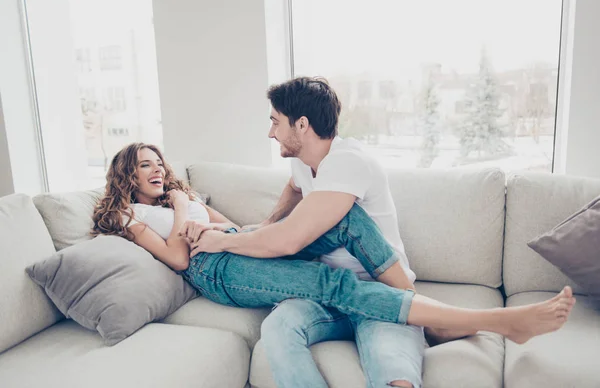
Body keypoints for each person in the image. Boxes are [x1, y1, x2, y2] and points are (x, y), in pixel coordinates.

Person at [91, 143, 574, 379]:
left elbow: (232, 225)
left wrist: (237, 229)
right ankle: (487, 320)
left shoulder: (186, 194)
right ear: (126, 177)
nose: (155, 170)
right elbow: (176, 257)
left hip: (230, 245)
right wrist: (180, 211)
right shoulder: (129, 213)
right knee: (331, 283)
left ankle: (426, 312)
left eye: (158, 162)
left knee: (346, 219)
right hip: (212, 270)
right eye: (143, 165)